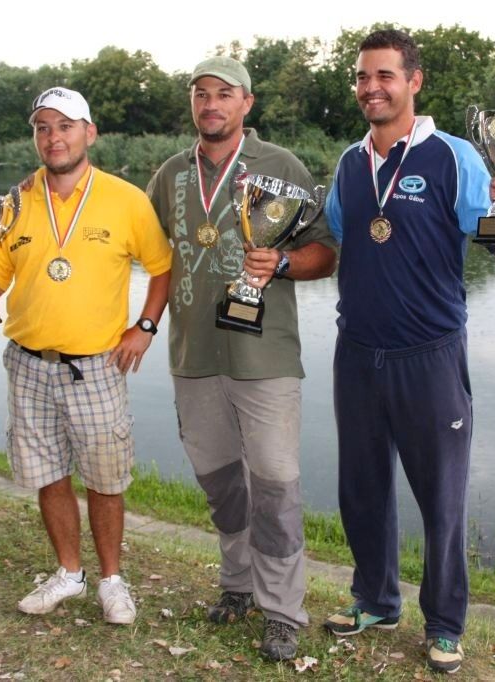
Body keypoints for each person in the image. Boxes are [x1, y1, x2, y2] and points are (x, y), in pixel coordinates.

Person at [322, 30, 495, 674]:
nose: (371, 88)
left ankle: (444, 624)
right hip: (357, 352)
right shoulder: (350, 164)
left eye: (384, 75)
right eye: (362, 77)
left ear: (414, 81)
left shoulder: (455, 156)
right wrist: (268, 263)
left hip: (429, 356)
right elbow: (336, 241)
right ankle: (376, 600)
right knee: (361, 490)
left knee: (441, 498)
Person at [146, 56, 337, 661]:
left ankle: (283, 611)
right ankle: (238, 586)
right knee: (223, 485)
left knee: (275, 487)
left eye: (223, 94)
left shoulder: (281, 167)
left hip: (265, 357)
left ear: (246, 103)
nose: (210, 104)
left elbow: (325, 253)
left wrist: (281, 262)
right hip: (193, 355)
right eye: (199, 94)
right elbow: (147, 254)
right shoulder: (171, 174)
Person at [0, 86, 172, 625]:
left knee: (105, 479)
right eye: (43, 128)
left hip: (97, 367)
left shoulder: (126, 199)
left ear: (89, 133)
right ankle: (68, 573)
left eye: (65, 126)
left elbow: (162, 267)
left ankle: (112, 581)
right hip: (28, 364)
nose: (53, 137)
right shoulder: (15, 201)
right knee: (48, 474)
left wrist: (145, 327)